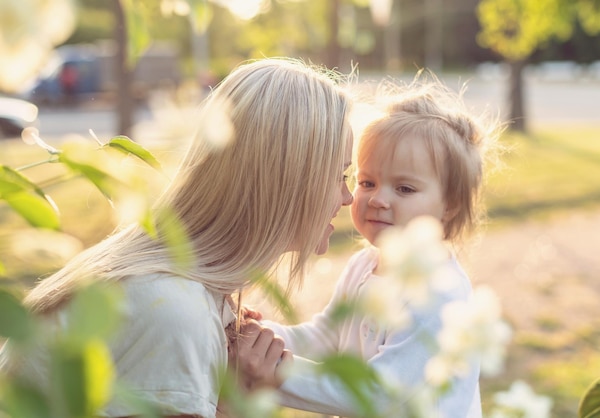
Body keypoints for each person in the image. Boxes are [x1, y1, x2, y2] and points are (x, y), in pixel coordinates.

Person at [0, 58, 354, 418]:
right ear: (290, 180)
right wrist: (244, 402)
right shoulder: (177, 314)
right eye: (339, 175)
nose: (348, 197)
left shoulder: (173, 287)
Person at [239, 75, 503, 417]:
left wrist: (277, 375)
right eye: (367, 182)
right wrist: (260, 339)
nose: (378, 199)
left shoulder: (439, 293)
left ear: (449, 204)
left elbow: (379, 392)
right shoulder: (364, 266)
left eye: (405, 189)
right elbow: (324, 338)